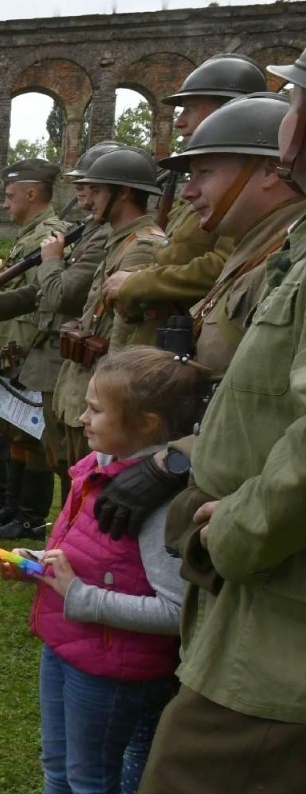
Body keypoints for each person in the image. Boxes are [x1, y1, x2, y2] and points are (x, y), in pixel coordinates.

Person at [126, 52, 306, 794]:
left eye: (202, 164)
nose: (188, 182)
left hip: (277, 614)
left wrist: (229, 526)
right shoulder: (273, 252)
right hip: (251, 594)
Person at [0, 347, 201, 794]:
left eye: (97, 409)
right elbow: (90, 561)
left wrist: (77, 596)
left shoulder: (158, 503)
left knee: (92, 782)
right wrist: (42, 568)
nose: (83, 417)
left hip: (111, 665)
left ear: (147, 425)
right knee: (60, 769)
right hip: (68, 645)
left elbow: (178, 611)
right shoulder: (99, 468)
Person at [104, 53, 269, 320]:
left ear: (228, 109)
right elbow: (172, 253)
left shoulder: (243, 186)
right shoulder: (209, 185)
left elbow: (224, 264)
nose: (179, 121)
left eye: (190, 108)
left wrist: (140, 283)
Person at [42, 147, 167, 479]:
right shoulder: (119, 241)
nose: (87, 199)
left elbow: (126, 340)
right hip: (84, 386)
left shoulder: (142, 246)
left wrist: (106, 407)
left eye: (97, 190)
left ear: (123, 193)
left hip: (106, 396)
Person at [0, 160, 74, 541]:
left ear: (32, 193)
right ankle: (10, 505)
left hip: (32, 349)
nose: (4, 204)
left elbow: (47, 298)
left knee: (34, 439)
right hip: (14, 347)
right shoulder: (32, 235)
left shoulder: (51, 237)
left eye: (10, 196)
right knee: (11, 432)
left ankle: (30, 518)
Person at [163, 93, 305, 378]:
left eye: (204, 173)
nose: (188, 192)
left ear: (270, 171)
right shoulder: (253, 251)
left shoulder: (287, 259)